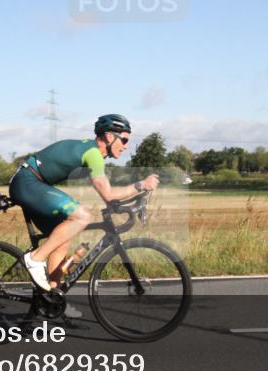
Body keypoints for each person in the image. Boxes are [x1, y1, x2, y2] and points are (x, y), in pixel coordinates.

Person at [10, 114, 159, 295]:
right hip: (28, 183)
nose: (126, 145)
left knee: (62, 240)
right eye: (125, 139)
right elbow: (109, 195)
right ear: (110, 137)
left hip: (32, 183)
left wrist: (136, 195)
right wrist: (141, 185)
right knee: (82, 216)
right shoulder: (93, 153)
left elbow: (109, 193)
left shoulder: (91, 152)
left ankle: (51, 296)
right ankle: (35, 259)